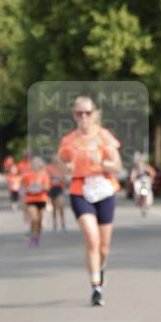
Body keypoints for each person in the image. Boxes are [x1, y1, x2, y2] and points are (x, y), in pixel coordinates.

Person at [55, 96, 123, 307]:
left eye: (87, 112)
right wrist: (66, 168)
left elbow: (117, 166)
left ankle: (100, 269)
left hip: (104, 189)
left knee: (104, 248)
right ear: (74, 115)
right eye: (79, 113)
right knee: (92, 240)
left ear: (94, 113)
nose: (83, 117)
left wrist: (102, 163)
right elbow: (61, 166)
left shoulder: (104, 136)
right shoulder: (68, 141)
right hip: (80, 190)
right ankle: (96, 288)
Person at [21, 157, 50, 246]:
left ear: (40, 165)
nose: (35, 165)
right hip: (30, 199)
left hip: (41, 199)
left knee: (39, 220)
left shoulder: (44, 175)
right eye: (34, 163)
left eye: (37, 163)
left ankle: (37, 236)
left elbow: (48, 188)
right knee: (34, 218)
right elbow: (22, 188)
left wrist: (40, 186)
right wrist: (26, 191)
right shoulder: (27, 175)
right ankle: (32, 236)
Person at [45, 159, 67, 230]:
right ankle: (55, 223)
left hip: (59, 188)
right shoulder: (48, 168)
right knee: (54, 207)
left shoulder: (61, 167)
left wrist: (61, 178)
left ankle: (63, 223)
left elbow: (64, 177)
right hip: (52, 189)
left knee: (61, 206)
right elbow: (45, 176)